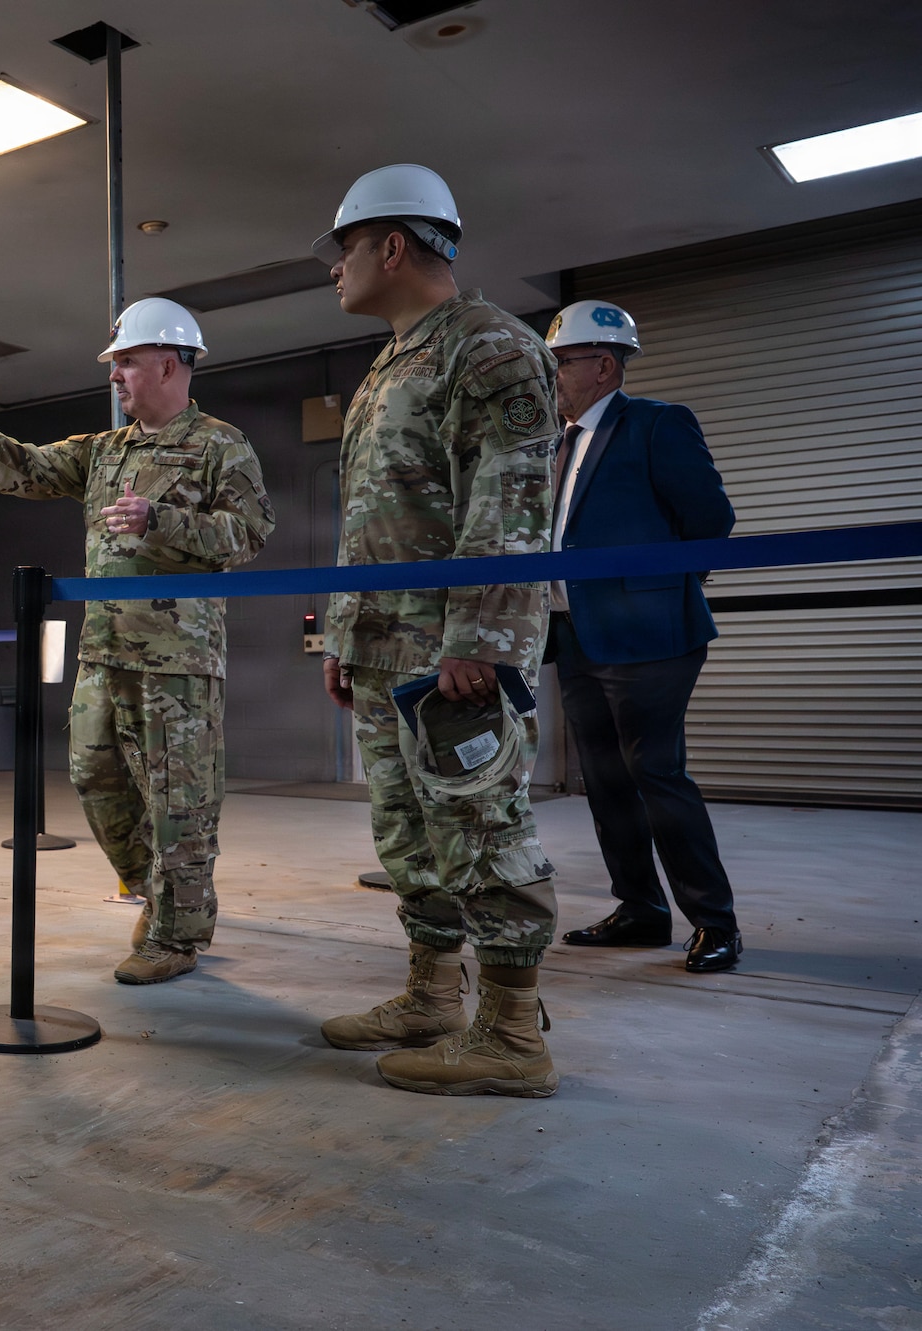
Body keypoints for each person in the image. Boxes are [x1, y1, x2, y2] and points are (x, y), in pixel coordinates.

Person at [0, 298, 273, 985]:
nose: (117, 375)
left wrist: (163, 521)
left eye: (125, 362)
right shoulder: (104, 452)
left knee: (179, 801)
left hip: (178, 662)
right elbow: (23, 467)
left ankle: (178, 935)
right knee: (95, 777)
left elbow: (248, 535)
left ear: (168, 361)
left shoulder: (220, 444)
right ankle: (158, 893)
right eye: (115, 364)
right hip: (103, 654)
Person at [311, 164, 564, 1096]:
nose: (333, 269)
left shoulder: (489, 349)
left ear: (391, 244)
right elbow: (370, 517)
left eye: (342, 249)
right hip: (386, 650)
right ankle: (430, 995)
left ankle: (511, 1034)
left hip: (451, 655)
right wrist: (345, 633)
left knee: (482, 825)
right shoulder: (391, 362)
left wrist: (484, 643)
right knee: (409, 833)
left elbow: (511, 504)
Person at [542, 301, 742, 973]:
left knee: (656, 772)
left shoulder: (656, 424)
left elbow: (710, 518)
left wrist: (660, 594)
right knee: (605, 781)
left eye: (561, 364)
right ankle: (641, 908)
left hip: (651, 637)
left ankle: (715, 922)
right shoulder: (555, 443)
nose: (553, 377)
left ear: (602, 366)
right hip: (574, 636)